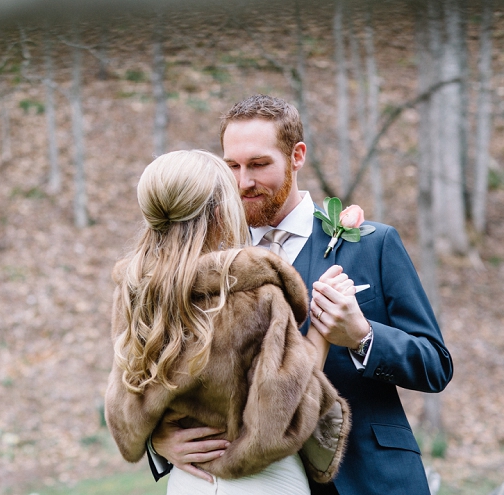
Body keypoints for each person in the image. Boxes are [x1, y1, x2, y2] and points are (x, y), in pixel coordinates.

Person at [148, 95, 453, 495]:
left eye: (258, 165)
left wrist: (363, 336)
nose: (243, 182)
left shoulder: (373, 244)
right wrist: (159, 440)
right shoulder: (208, 260)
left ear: (297, 156)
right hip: (260, 480)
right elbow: (155, 364)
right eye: (232, 166)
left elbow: (435, 364)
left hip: (368, 477)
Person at [105, 149, 352, 495]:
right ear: (222, 212)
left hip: (189, 482)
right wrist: (323, 333)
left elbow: (125, 413)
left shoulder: (135, 294)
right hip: (264, 481)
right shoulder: (254, 295)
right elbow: (287, 410)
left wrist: (159, 440)